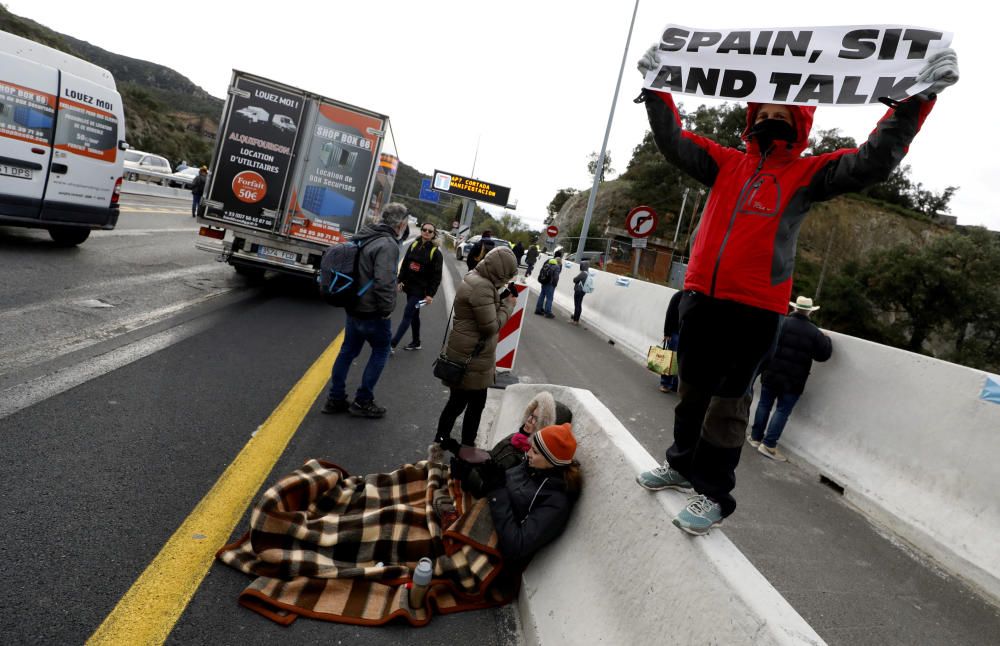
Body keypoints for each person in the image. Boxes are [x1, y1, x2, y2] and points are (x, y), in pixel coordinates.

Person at [633, 44, 959, 535]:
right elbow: (673, 139)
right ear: (750, 115)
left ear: (800, 120)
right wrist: (657, 88)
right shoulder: (723, 162)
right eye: (761, 110)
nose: (769, 116)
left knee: (727, 406)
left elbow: (871, 162)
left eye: (780, 112)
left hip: (756, 310)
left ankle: (714, 495)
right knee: (690, 393)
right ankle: (680, 466)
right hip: (700, 297)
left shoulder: (808, 173)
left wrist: (916, 101)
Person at [321, 203, 410, 419]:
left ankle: (336, 398)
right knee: (380, 351)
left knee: (347, 351)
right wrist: (387, 310)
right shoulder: (388, 244)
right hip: (372, 311)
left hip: (353, 306)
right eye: (405, 222)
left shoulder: (365, 235)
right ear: (400, 224)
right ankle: (363, 401)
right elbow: (384, 281)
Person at [436, 247, 518, 455]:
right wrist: (509, 306)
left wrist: (500, 298)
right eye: (507, 276)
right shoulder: (482, 287)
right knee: (466, 405)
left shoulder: (477, 277)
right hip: (470, 358)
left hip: (469, 354)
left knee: (464, 403)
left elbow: (482, 310)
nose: (507, 280)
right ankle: (460, 446)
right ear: (500, 271)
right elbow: (490, 325)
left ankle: (447, 444)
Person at [486, 423, 582, 568]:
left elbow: (516, 545)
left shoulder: (556, 502)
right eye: (531, 447)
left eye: (536, 452)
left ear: (552, 462)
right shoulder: (530, 467)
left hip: (496, 557)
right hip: (487, 519)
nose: (529, 453)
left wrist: (496, 492)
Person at [749, 296, 833, 461]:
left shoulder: (782, 323)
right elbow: (823, 355)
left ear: (794, 309)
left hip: (771, 372)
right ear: (809, 312)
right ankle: (769, 444)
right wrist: (827, 339)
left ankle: (755, 437)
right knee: (782, 410)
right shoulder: (814, 332)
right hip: (793, 381)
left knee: (764, 404)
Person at [459, 391, 573, 496]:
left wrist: (468, 472)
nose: (529, 420)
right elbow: (493, 456)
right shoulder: (517, 437)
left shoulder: (529, 458)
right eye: (531, 415)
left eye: (536, 419)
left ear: (546, 427)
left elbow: (494, 486)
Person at [391, 222, 443, 352]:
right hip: (409, 288)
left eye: (430, 231)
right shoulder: (414, 245)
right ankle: (416, 342)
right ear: (421, 231)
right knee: (414, 314)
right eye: (424, 229)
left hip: (421, 291)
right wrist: (399, 280)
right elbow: (405, 264)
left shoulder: (435, 253)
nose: (426, 232)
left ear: (433, 234)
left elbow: (436, 277)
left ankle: (391, 345)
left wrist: (430, 294)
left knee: (408, 313)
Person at [659, 289, 682, 394]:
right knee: (671, 358)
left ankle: (675, 384)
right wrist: (667, 333)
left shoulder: (699, 299)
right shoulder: (679, 296)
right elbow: (670, 313)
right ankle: (665, 383)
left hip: (688, 335)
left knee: (681, 361)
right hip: (675, 333)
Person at [533, 250, 563, 318]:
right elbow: (556, 277)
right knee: (549, 298)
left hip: (544, 281)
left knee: (542, 295)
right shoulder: (557, 265)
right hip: (550, 284)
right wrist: (554, 284)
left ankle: (538, 309)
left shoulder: (548, 261)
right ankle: (547, 312)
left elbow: (542, 270)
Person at [569, 261, 590, 325]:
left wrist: (575, 279)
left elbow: (575, 280)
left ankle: (575, 321)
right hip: (583, 291)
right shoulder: (587, 273)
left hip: (578, 290)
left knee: (577, 305)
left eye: (581, 265)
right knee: (579, 305)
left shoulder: (583, 273)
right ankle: (576, 320)